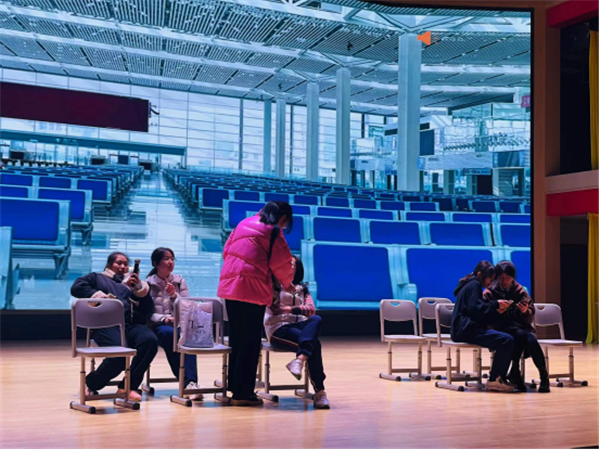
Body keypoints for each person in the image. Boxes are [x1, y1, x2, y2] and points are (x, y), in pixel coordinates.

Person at [218, 201, 296, 406]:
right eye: (286, 222)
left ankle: (235, 387)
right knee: (250, 342)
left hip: (230, 288)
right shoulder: (273, 230)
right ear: (283, 218)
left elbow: (227, 251)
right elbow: (282, 263)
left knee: (237, 339)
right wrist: (288, 282)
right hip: (252, 289)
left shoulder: (243, 224)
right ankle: (243, 394)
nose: (284, 226)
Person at [71, 252, 157, 402]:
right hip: (105, 326)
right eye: (119, 263)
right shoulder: (97, 278)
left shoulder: (132, 284)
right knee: (119, 355)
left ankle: (128, 386)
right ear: (109, 265)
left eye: (125, 264)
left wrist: (140, 290)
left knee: (149, 341)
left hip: (131, 325)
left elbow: (147, 310)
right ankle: (91, 383)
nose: (123, 266)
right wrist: (99, 296)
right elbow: (76, 287)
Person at [265, 256, 330, 409]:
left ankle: (299, 360)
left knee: (316, 319)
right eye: (286, 263)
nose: (289, 266)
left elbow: (311, 310)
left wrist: (289, 309)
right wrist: (291, 308)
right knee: (314, 345)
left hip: (300, 326)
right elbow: (274, 308)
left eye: (292, 264)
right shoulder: (274, 285)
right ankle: (320, 392)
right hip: (279, 328)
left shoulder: (302, 289)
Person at [484, 261, 550, 393]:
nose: (504, 281)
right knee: (517, 335)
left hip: (520, 327)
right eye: (501, 278)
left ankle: (543, 375)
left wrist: (525, 311)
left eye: (508, 278)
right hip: (499, 328)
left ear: (513, 277)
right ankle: (515, 372)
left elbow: (530, 317)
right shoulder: (490, 292)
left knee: (530, 339)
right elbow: (483, 314)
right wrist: (496, 311)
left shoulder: (520, 291)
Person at [451, 260, 515, 393]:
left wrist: (495, 308)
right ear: (480, 274)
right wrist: (496, 305)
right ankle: (494, 380)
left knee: (504, 338)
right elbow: (476, 309)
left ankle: (498, 377)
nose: (491, 282)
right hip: (466, 330)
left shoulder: (469, 284)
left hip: (463, 329)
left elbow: (476, 310)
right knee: (506, 340)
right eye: (490, 278)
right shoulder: (474, 285)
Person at [146, 247, 202, 400]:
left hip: (179, 323)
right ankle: (187, 382)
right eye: (166, 259)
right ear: (155, 263)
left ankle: (190, 382)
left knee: (187, 338)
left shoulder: (179, 281)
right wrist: (163, 319)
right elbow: (147, 313)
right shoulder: (148, 284)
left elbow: (187, 306)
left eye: (172, 259)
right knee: (170, 335)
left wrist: (173, 296)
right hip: (158, 325)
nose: (170, 262)